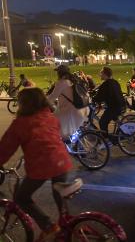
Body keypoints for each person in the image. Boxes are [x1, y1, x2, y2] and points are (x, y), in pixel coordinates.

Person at [0, 88, 73, 240]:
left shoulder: (21, 123)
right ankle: (67, 226)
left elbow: (5, 148)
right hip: (62, 161)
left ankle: (48, 226)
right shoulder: (50, 116)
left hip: (42, 165)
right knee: (58, 193)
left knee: (21, 197)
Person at [47, 65, 89, 139]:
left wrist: (41, 101)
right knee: (63, 129)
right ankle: (69, 142)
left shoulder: (61, 83)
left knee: (51, 123)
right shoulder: (73, 80)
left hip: (70, 112)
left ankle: (63, 144)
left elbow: (52, 97)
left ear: (60, 73)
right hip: (81, 109)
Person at [92, 67, 126, 140]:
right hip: (120, 105)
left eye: (101, 73)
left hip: (114, 107)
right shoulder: (114, 82)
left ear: (105, 74)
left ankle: (106, 140)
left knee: (102, 122)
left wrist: (92, 99)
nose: (100, 75)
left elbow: (100, 96)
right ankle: (123, 132)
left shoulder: (106, 84)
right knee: (114, 118)